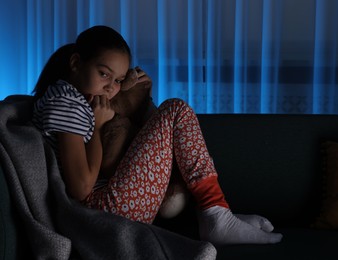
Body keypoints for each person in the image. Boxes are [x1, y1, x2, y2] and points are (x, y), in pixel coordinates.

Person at [32, 25, 282, 246]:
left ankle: (215, 211)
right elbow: (81, 188)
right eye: (104, 74)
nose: (111, 87)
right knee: (176, 110)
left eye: (118, 79)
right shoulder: (67, 104)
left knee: (173, 115)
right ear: (76, 63)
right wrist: (97, 128)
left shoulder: (72, 98)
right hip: (105, 212)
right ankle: (215, 214)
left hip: (110, 207)